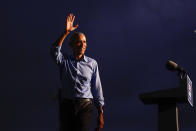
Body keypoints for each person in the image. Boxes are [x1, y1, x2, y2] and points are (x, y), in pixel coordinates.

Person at [50, 13, 104, 131]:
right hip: (67, 105)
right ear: (72, 44)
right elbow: (54, 52)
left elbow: (97, 88)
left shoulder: (92, 63)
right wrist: (66, 32)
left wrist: (100, 113)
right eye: (79, 42)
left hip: (85, 105)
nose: (82, 44)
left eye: (84, 42)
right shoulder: (64, 60)